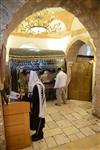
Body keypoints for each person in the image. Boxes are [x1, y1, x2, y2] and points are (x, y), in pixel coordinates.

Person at [28, 70, 46, 141]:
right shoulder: (40, 84)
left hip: (38, 107)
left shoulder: (36, 86)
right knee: (40, 120)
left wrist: (24, 98)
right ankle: (39, 133)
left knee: (38, 120)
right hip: (41, 105)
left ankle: (38, 135)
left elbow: (34, 99)